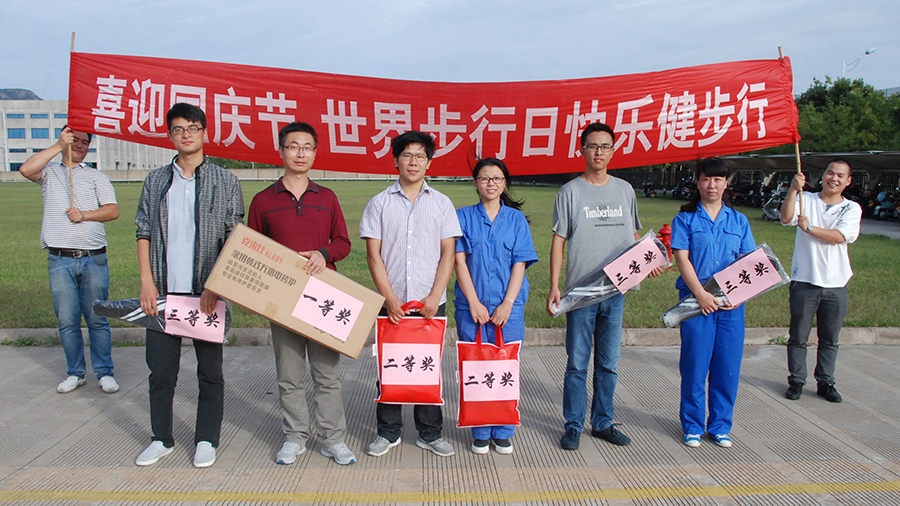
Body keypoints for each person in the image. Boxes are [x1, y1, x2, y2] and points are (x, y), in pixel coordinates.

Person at [134, 103, 244, 468]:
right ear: (170, 135)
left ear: (205, 133)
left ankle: (206, 439)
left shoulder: (225, 181)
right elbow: (143, 231)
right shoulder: (155, 181)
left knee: (210, 373)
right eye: (179, 129)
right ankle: (161, 438)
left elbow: (234, 237)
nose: (186, 134)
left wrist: (217, 284)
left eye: (193, 128)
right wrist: (147, 282)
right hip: (164, 293)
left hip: (206, 295)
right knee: (161, 373)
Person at [547, 122, 662, 450]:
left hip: (616, 291)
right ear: (581, 150)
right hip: (582, 292)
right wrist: (555, 285)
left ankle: (602, 422)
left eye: (605, 146)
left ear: (613, 150)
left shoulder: (625, 190)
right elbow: (559, 240)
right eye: (592, 146)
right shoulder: (570, 192)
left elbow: (634, 234)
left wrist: (649, 261)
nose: (599, 152)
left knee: (608, 363)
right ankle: (573, 425)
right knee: (577, 363)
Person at [247, 122, 356, 466]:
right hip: (283, 300)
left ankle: (333, 439)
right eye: (293, 146)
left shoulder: (327, 198)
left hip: (323, 299)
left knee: (327, 376)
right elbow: (252, 248)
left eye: (307, 147)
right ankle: (294, 436)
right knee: (289, 376)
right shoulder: (263, 200)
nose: (300, 153)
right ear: (281, 151)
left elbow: (343, 242)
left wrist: (323, 253)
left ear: (315, 153)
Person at [360, 131, 462, 458]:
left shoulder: (442, 203)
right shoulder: (379, 203)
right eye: (407, 155)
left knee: (427, 370)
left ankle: (430, 433)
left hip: (430, 303)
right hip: (392, 304)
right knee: (390, 368)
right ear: (396, 160)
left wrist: (435, 296)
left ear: (429, 162)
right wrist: (389, 298)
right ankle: (387, 432)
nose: (413, 162)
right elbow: (373, 256)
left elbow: (448, 253)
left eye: (420, 156)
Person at [19, 126, 120, 395]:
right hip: (60, 259)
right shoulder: (50, 173)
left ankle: (104, 372)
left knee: (97, 319)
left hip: (93, 258)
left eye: (84, 142)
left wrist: (84, 215)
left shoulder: (96, 176)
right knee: (67, 321)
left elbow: (112, 211)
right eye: (75, 140)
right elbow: (26, 170)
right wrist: (57, 146)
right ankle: (75, 372)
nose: (79, 145)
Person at [454, 158, 538, 455]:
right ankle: (479, 429)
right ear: (475, 182)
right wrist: (474, 302)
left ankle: (503, 430)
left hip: (508, 309)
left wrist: (507, 304)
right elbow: (459, 261)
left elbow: (520, 263)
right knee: (475, 367)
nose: (491, 183)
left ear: (505, 183)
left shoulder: (516, 219)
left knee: (505, 368)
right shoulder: (462, 216)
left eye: (497, 178)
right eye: (484, 178)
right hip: (471, 309)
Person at [671, 158, 755, 449]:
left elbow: (748, 261)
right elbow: (682, 258)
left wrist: (738, 296)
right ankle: (693, 426)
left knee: (726, 367)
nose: (712, 185)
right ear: (698, 182)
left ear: (726, 183)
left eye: (718, 180)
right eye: (706, 179)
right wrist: (700, 294)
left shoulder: (739, 221)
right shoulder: (685, 219)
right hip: (697, 303)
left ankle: (720, 426)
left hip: (731, 306)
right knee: (695, 365)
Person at [780, 160, 862, 403]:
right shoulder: (806, 199)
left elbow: (840, 236)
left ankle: (826, 382)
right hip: (805, 280)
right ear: (823, 175)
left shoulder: (851, 208)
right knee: (798, 336)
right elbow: (786, 218)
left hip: (836, 283)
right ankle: (796, 380)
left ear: (848, 181)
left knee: (830, 339)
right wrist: (793, 189)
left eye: (840, 175)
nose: (833, 178)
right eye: (830, 173)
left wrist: (810, 228)